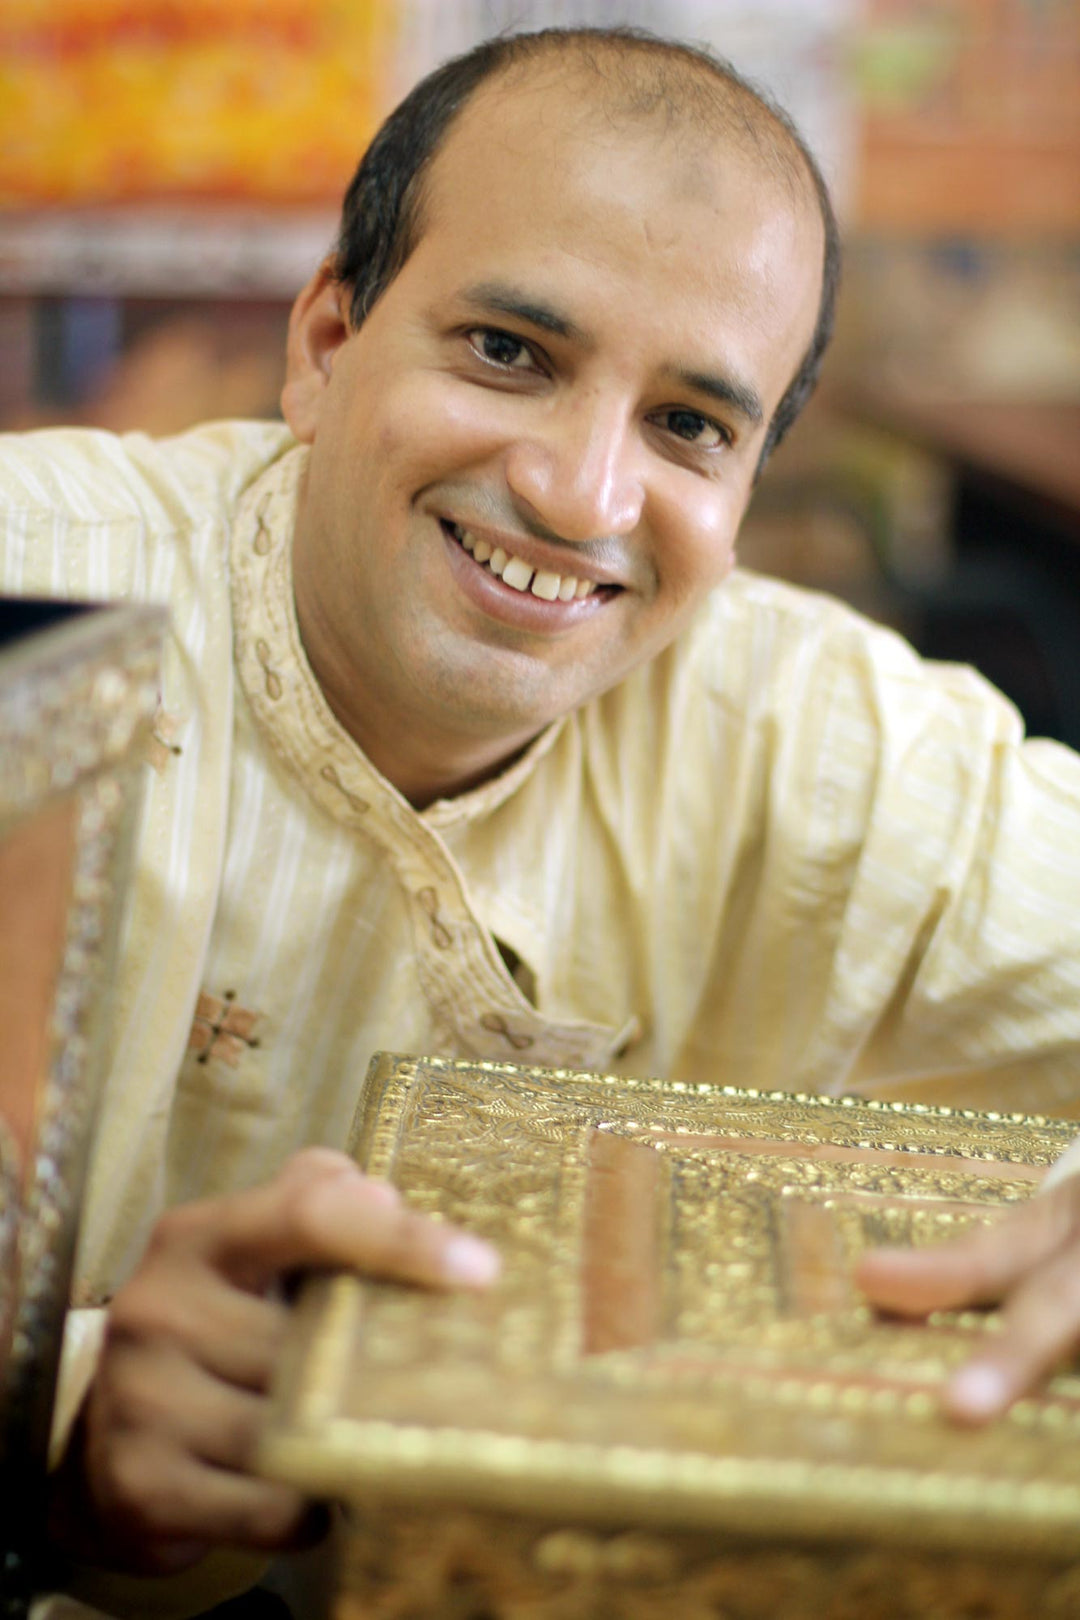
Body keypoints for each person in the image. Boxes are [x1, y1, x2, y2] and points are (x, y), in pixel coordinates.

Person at [4, 22, 1080, 1608]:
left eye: (690, 426)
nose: (582, 496)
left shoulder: (819, 743)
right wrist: (58, 1413)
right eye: (509, 350)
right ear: (323, 343)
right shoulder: (38, 591)